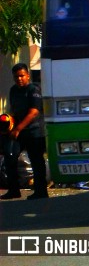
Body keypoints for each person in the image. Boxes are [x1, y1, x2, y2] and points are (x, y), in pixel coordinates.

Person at [1, 63, 48, 200]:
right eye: (16, 77)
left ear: (27, 75)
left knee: (36, 162)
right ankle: (14, 190)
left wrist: (18, 128)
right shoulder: (13, 91)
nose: (19, 79)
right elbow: (14, 110)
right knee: (10, 158)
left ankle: (41, 191)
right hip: (18, 132)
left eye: (22, 76)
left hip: (34, 131)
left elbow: (34, 112)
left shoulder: (33, 90)